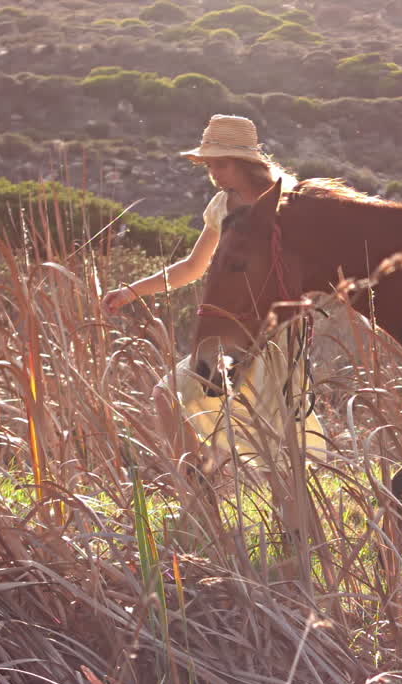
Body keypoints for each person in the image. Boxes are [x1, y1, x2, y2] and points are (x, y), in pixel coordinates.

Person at [102, 114, 326, 470]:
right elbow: (193, 267)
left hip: (276, 336)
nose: (213, 174)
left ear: (245, 163)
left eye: (219, 163)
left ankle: (296, 522)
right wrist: (132, 290)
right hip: (229, 336)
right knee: (168, 395)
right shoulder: (222, 206)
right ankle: (199, 494)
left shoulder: (290, 203)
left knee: (273, 451)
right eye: (208, 165)